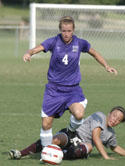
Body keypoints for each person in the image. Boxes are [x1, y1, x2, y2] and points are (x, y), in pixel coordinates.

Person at [23, 16, 118, 148]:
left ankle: (70, 131)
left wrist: (106, 66)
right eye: (64, 31)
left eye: (69, 31)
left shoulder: (79, 43)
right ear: (60, 30)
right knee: (46, 124)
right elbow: (35, 49)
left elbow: (94, 53)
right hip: (54, 90)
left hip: (72, 89)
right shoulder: (53, 42)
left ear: (73, 30)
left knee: (79, 114)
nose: (66, 34)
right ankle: (45, 152)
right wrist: (29, 54)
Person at [9, 106, 125, 160]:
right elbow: (96, 137)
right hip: (72, 134)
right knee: (55, 140)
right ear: (109, 114)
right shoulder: (100, 116)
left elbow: (115, 147)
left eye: (118, 119)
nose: (114, 119)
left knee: (89, 147)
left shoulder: (111, 134)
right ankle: (21, 153)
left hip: (82, 145)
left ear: (119, 123)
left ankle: (56, 156)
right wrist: (106, 157)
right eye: (114, 115)